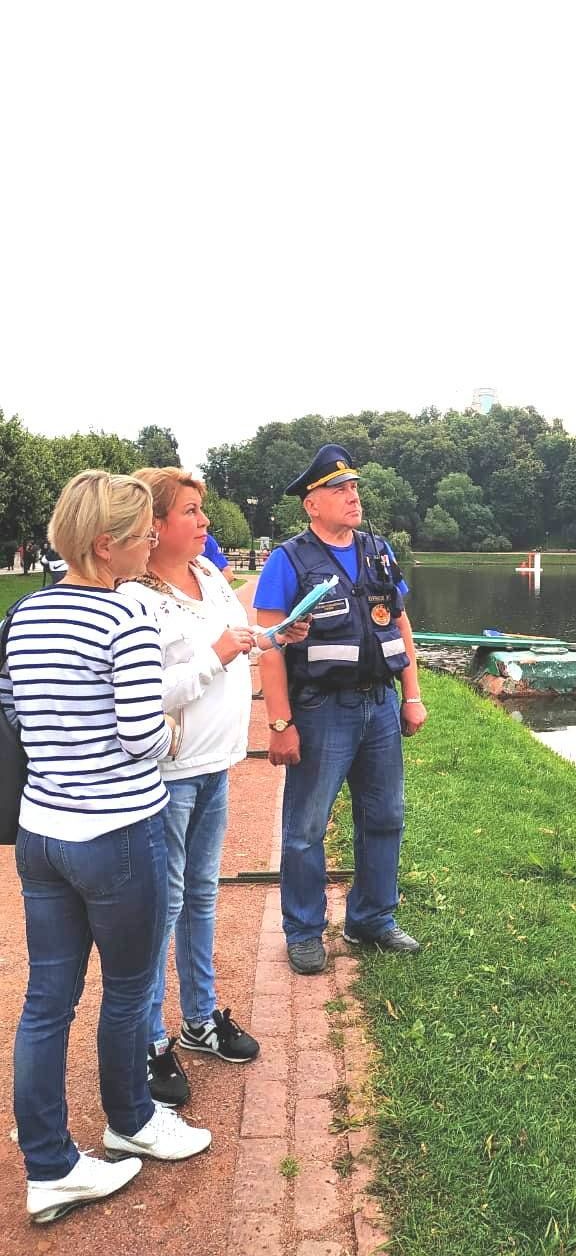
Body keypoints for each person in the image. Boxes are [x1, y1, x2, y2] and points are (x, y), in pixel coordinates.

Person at [0, 470, 211, 1226]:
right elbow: (141, 734)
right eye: (140, 532)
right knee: (128, 989)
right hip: (118, 833)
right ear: (104, 544)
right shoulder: (124, 619)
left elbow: (14, 711)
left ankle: (51, 1165)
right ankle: (132, 1119)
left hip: (43, 833)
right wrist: (171, 733)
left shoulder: (24, 615)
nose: (152, 539)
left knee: (47, 999)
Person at [120, 468, 310, 1107]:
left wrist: (273, 638)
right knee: (161, 908)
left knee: (201, 897)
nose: (206, 523)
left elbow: (238, 641)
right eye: (193, 512)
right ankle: (148, 1040)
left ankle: (198, 1020)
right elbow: (147, 694)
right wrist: (220, 655)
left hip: (215, 764)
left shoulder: (207, 578)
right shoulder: (135, 599)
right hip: (166, 777)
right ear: (154, 525)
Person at [254, 443, 427, 975]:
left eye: (353, 487)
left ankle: (371, 919)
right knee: (306, 827)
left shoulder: (378, 549)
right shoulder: (289, 560)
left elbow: (398, 622)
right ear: (312, 504)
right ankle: (304, 930)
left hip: (379, 706)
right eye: (339, 490)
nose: (352, 496)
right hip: (322, 710)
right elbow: (270, 644)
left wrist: (412, 694)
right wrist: (280, 723)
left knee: (386, 816)